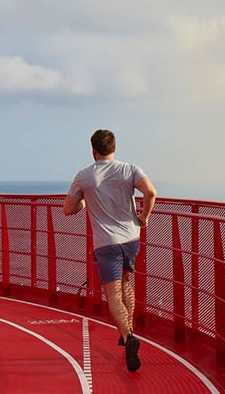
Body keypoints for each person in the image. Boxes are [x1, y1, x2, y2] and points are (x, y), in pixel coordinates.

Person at [64, 129, 156, 372]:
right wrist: (144, 216)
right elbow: (150, 192)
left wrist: (85, 200)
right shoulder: (130, 169)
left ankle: (127, 337)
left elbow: (68, 209)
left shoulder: (84, 176)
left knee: (113, 293)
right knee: (126, 282)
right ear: (114, 148)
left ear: (93, 151)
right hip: (132, 238)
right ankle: (130, 330)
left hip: (107, 242)